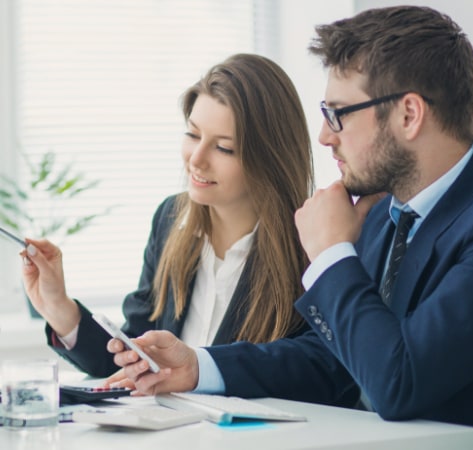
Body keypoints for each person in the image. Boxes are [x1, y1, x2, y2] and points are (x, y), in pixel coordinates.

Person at [105, 6, 473, 450]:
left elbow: (399, 383)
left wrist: (332, 254)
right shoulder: (384, 210)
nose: (324, 137)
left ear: (409, 115)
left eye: (339, 114)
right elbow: (330, 360)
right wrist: (197, 366)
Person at [21, 54, 356, 403]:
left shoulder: (312, 239)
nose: (196, 159)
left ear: (269, 157)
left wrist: (201, 368)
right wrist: (59, 307)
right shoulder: (170, 220)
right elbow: (130, 357)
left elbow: (324, 369)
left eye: (223, 147)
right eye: (193, 134)